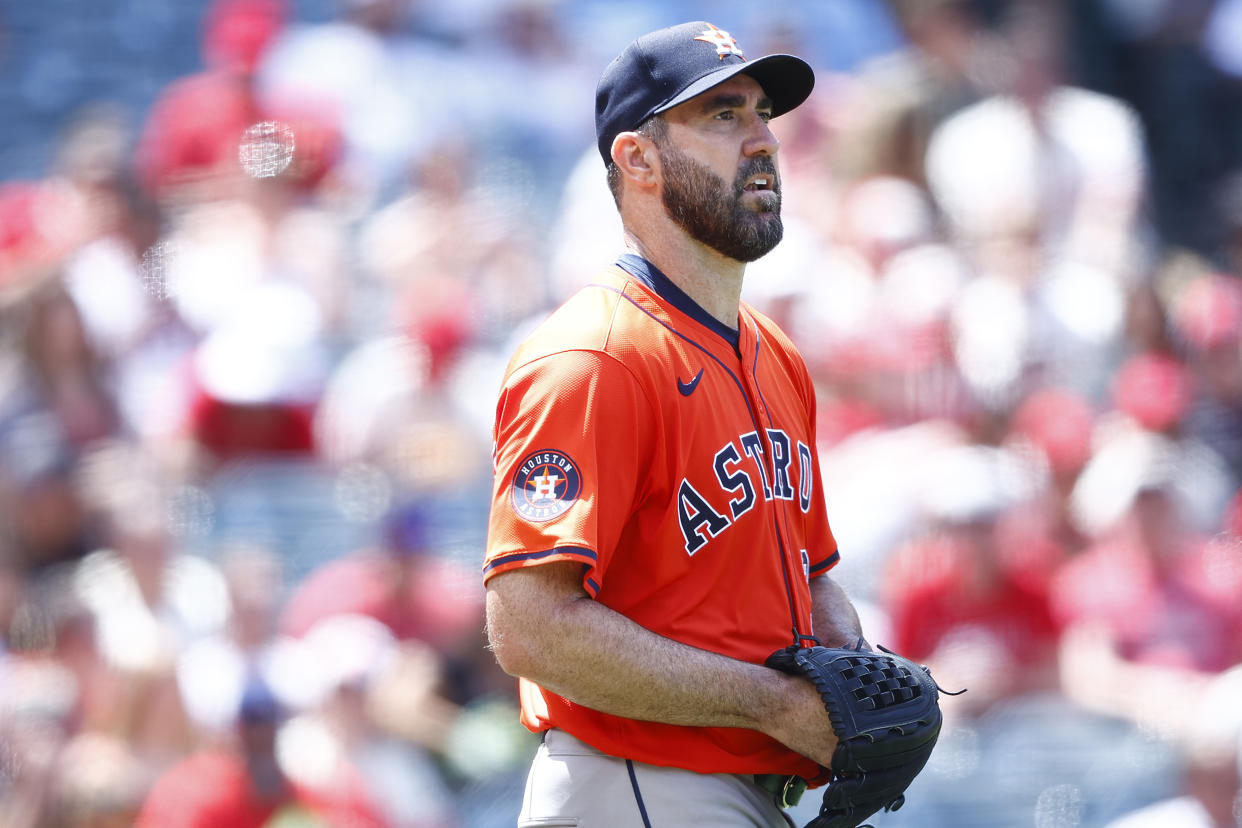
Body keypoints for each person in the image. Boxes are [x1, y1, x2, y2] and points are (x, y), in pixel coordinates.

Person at [482, 21, 867, 827]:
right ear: (639, 160)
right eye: (723, 116)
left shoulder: (776, 356)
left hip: (735, 792)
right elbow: (530, 627)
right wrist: (770, 703)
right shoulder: (595, 358)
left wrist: (856, 671)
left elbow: (812, 576)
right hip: (637, 781)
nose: (762, 138)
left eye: (762, 112)